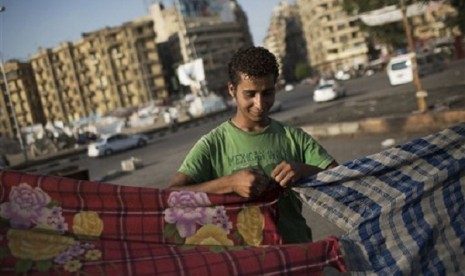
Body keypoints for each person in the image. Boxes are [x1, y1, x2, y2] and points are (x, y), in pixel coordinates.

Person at [168, 46, 338, 243]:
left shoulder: (293, 137)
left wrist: (303, 170)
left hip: (298, 254)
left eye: (267, 93)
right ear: (232, 90)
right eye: (250, 94)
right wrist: (229, 184)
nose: (260, 103)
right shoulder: (213, 144)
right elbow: (170, 196)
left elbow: (341, 178)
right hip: (243, 261)